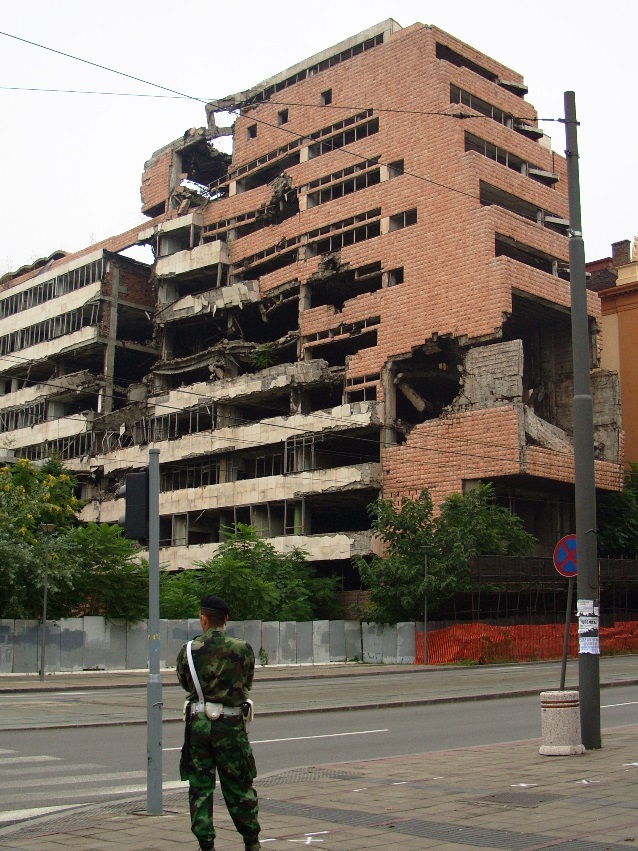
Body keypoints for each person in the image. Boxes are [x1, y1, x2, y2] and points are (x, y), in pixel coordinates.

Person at [177, 594, 261, 851]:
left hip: (199, 725)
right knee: (238, 785)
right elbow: (246, 685)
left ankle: (206, 845)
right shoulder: (242, 649)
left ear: (203, 619)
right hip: (231, 724)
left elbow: (185, 683)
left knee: (200, 787)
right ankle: (251, 842)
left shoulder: (189, 651)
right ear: (226, 619)